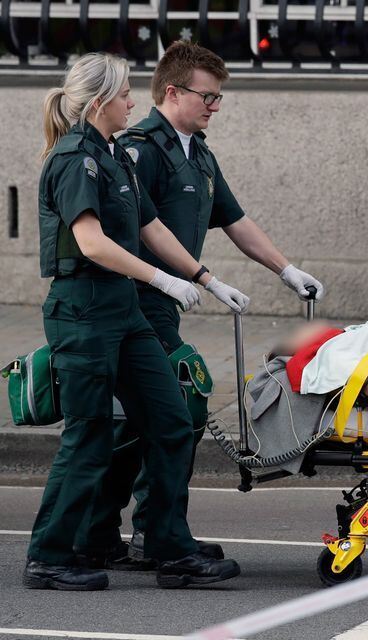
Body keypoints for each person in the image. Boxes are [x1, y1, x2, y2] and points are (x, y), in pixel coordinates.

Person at [77, 41, 326, 570]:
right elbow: (128, 228)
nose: (215, 107)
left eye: (218, 99)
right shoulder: (142, 150)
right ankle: (151, 535)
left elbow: (235, 220)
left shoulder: (199, 152)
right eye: (207, 97)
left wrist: (285, 269)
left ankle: (103, 532)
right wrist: (180, 280)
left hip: (166, 303)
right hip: (137, 301)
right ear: (173, 91)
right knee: (175, 415)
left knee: (140, 423)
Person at [24, 52, 242, 590]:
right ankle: (49, 556)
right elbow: (92, 242)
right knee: (90, 434)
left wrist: (205, 278)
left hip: (122, 309)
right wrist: (163, 281)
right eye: (123, 94)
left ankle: (169, 548)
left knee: (171, 423)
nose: (131, 101)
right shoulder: (76, 158)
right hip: (85, 312)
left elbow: (150, 226)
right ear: (99, 102)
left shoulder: (115, 155)